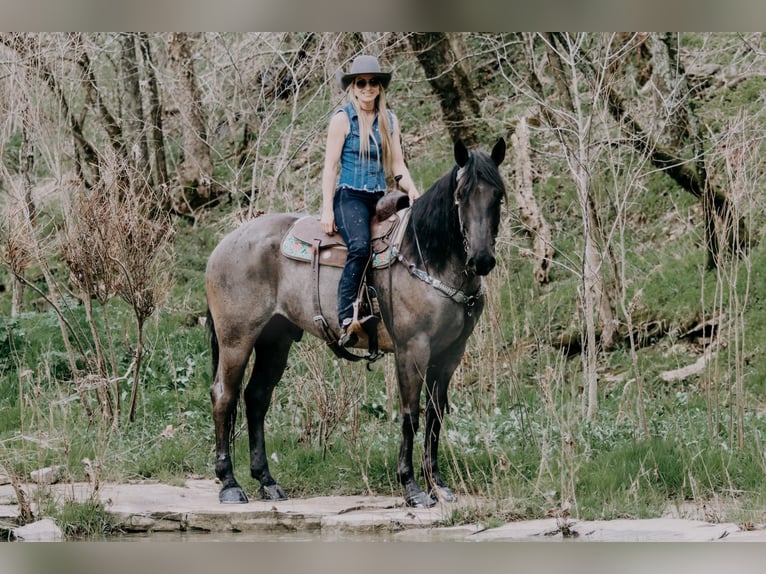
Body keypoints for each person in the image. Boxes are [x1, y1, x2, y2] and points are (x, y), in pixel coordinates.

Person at [320, 55, 420, 347]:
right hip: (349, 196)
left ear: (379, 86)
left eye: (372, 82)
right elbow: (330, 167)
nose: (367, 88)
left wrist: (412, 191)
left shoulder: (389, 120)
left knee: (402, 241)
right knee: (361, 246)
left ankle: (389, 307)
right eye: (361, 82)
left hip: (379, 197)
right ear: (353, 86)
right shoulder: (342, 119)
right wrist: (328, 208)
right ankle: (346, 318)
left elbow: (397, 165)